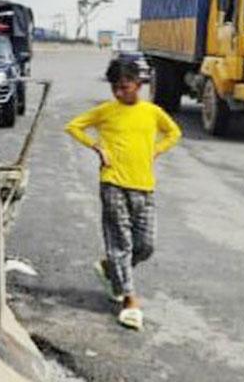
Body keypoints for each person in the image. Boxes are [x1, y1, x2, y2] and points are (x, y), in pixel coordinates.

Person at [65, 59, 181, 330]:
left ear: (138, 86)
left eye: (124, 87)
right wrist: (97, 148)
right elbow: (73, 126)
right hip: (113, 183)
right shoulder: (106, 111)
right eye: (115, 88)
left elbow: (174, 132)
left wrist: (156, 150)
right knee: (121, 243)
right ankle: (129, 299)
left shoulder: (152, 112)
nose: (119, 93)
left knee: (146, 245)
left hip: (144, 186)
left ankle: (109, 268)